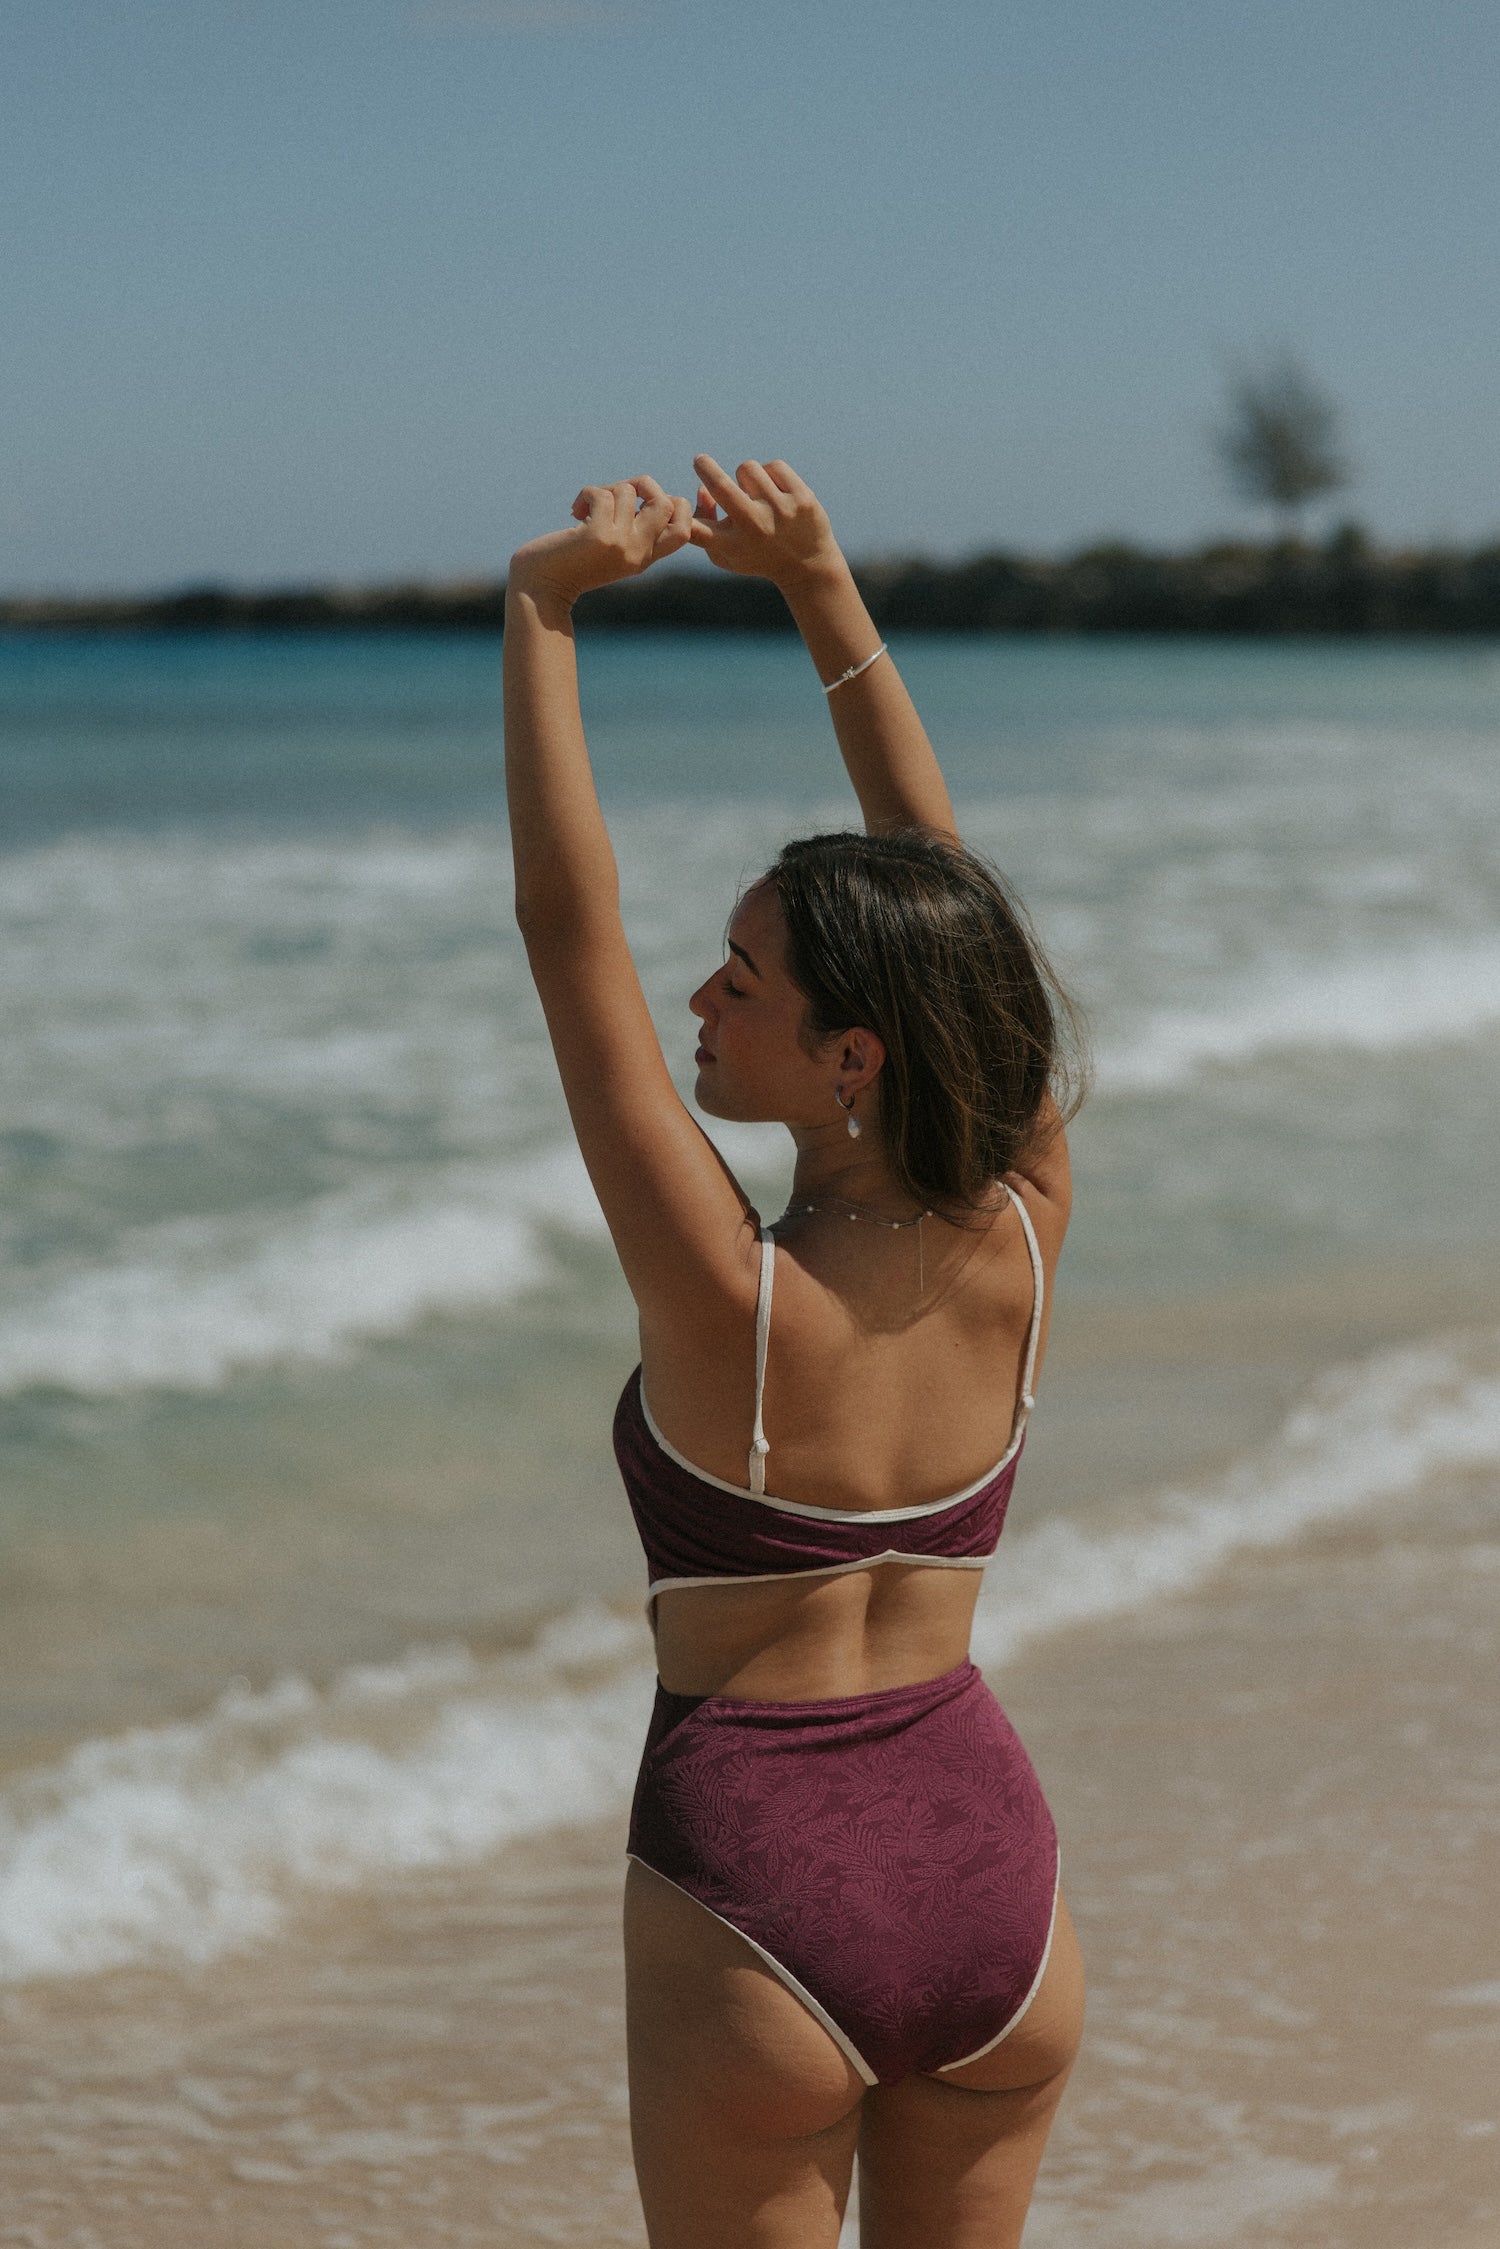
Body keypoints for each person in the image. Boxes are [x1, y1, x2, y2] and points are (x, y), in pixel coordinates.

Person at [503, 456, 1086, 2249]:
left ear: (853, 1060)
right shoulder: (1023, 1226)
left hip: (760, 1894)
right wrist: (821, 591)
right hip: (1001, 1887)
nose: (698, 995)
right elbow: (960, 921)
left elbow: (563, 935)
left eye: (743, 979)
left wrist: (541, 609)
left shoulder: (734, 1302)